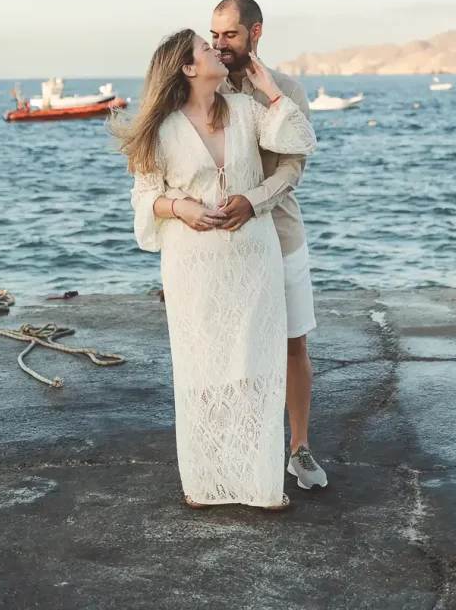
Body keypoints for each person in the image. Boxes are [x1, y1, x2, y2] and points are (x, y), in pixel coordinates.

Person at [116, 29, 316, 509]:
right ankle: (206, 481)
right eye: (205, 49)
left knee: (256, 361)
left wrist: (269, 89)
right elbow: (144, 198)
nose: (215, 50)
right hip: (193, 264)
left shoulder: (246, 111)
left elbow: (300, 140)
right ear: (187, 68)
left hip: (255, 257)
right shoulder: (160, 130)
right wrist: (178, 206)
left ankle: (260, 484)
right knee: (200, 367)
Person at [209, 0, 328, 491]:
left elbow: (292, 168)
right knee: (230, 345)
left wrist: (252, 201)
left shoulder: (289, 89)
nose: (219, 45)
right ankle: (238, 445)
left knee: (293, 342)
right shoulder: (202, 87)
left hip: (279, 235)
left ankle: (299, 448)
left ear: (255, 33)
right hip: (223, 240)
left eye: (229, 35)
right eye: (213, 35)